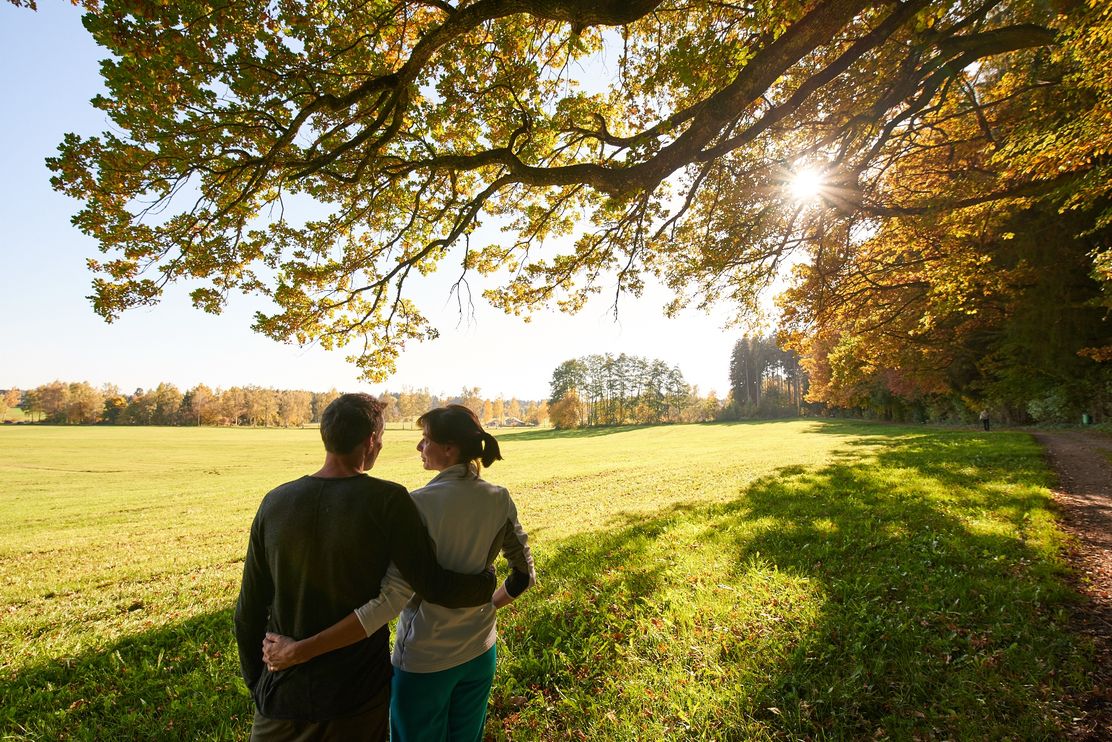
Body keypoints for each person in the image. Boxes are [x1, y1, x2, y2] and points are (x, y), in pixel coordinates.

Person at [262, 404, 536, 742]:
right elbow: (523, 575)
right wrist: (488, 603)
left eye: (425, 440)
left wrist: (303, 649)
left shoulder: (416, 504)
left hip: (426, 660)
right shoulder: (499, 498)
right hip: (481, 651)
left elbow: (391, 598)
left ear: (449, 448)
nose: (419, 447)